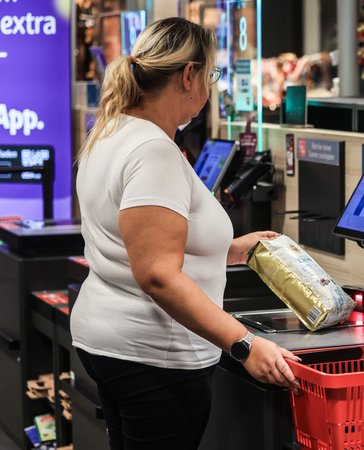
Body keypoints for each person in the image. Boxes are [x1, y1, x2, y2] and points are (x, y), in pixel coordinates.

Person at [71, 17, 298, 450]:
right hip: (154, 353)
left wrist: (230, 249)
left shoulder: (113, 131)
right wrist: (246, 344)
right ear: (188, 75)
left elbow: (136, 240)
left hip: (111, 341)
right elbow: (157, 273)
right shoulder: (153, 150)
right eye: (210, 75)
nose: (209, 89)